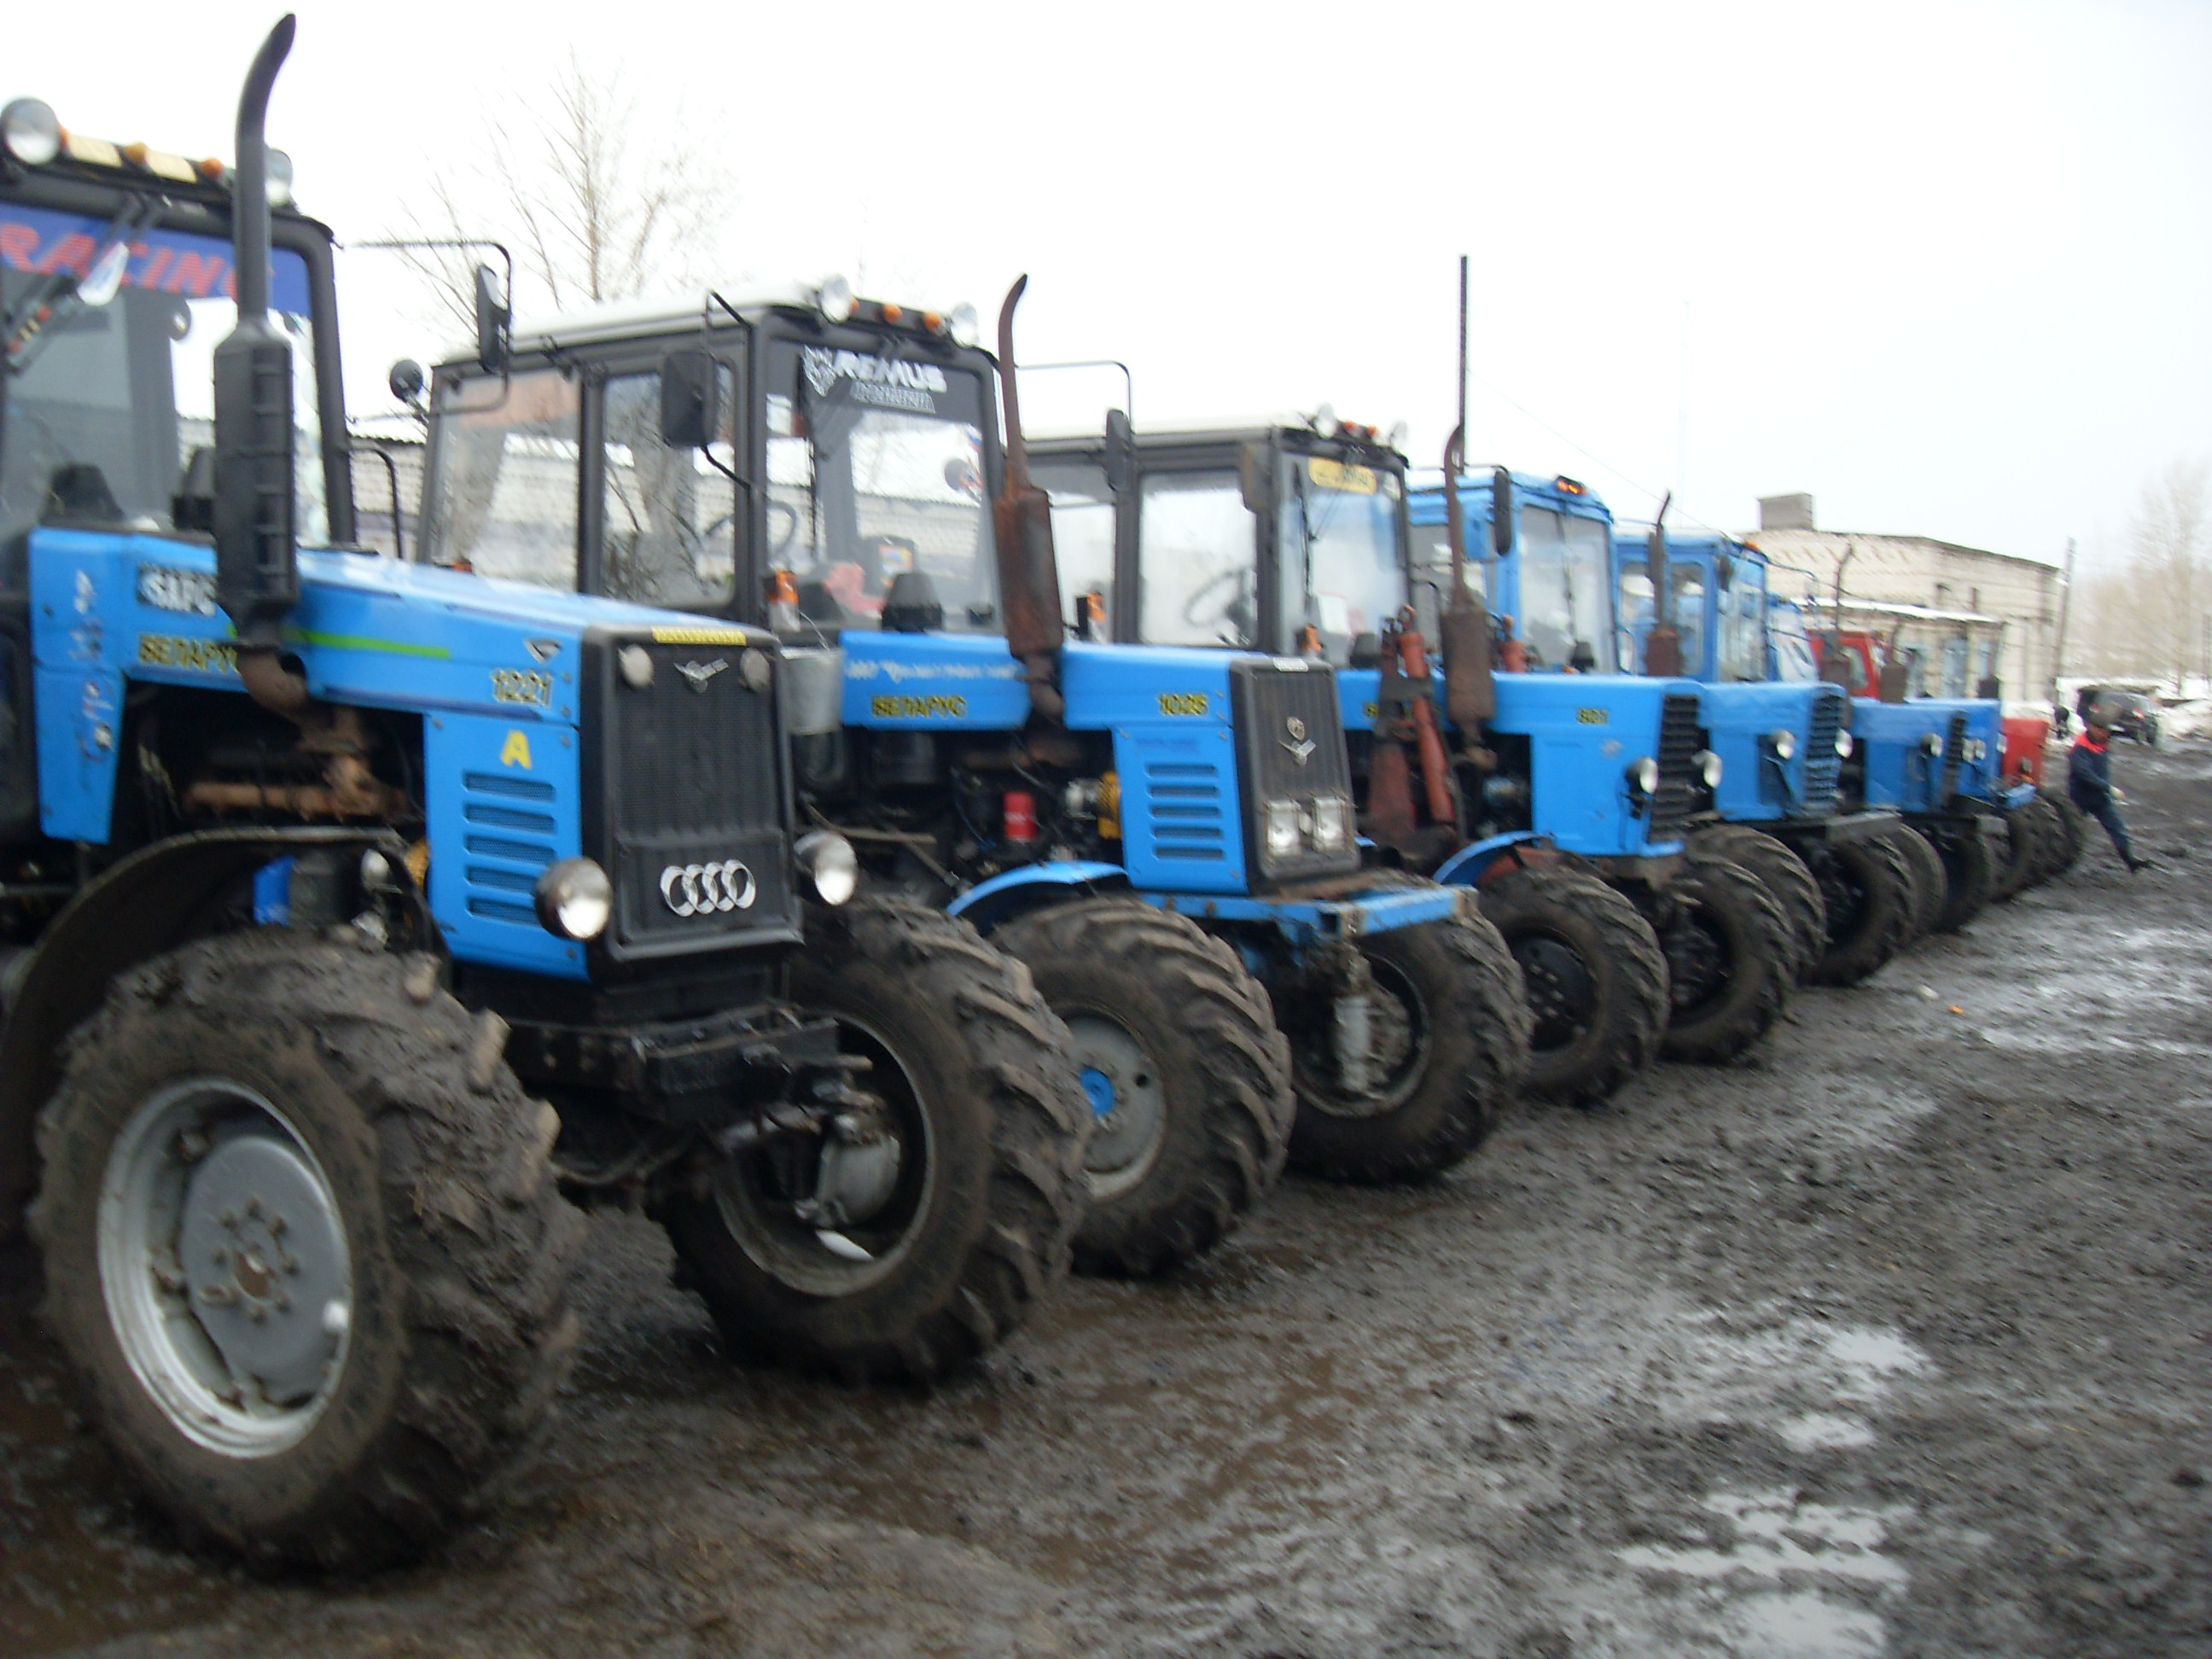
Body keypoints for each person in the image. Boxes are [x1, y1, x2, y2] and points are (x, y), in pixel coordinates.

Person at [2068, 707, 2156, 873]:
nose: (2105, 734)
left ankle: (2131, 862)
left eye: (2107, 730)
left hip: (2100, 796)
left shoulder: (2103, 741)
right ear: (2091, 727)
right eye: (2102, 729)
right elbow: (2084, 773)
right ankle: (2064, 862)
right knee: (2073, 832)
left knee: (2117, 828)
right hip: (2080, 797)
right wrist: (2108, 787)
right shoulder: (2080, 747)